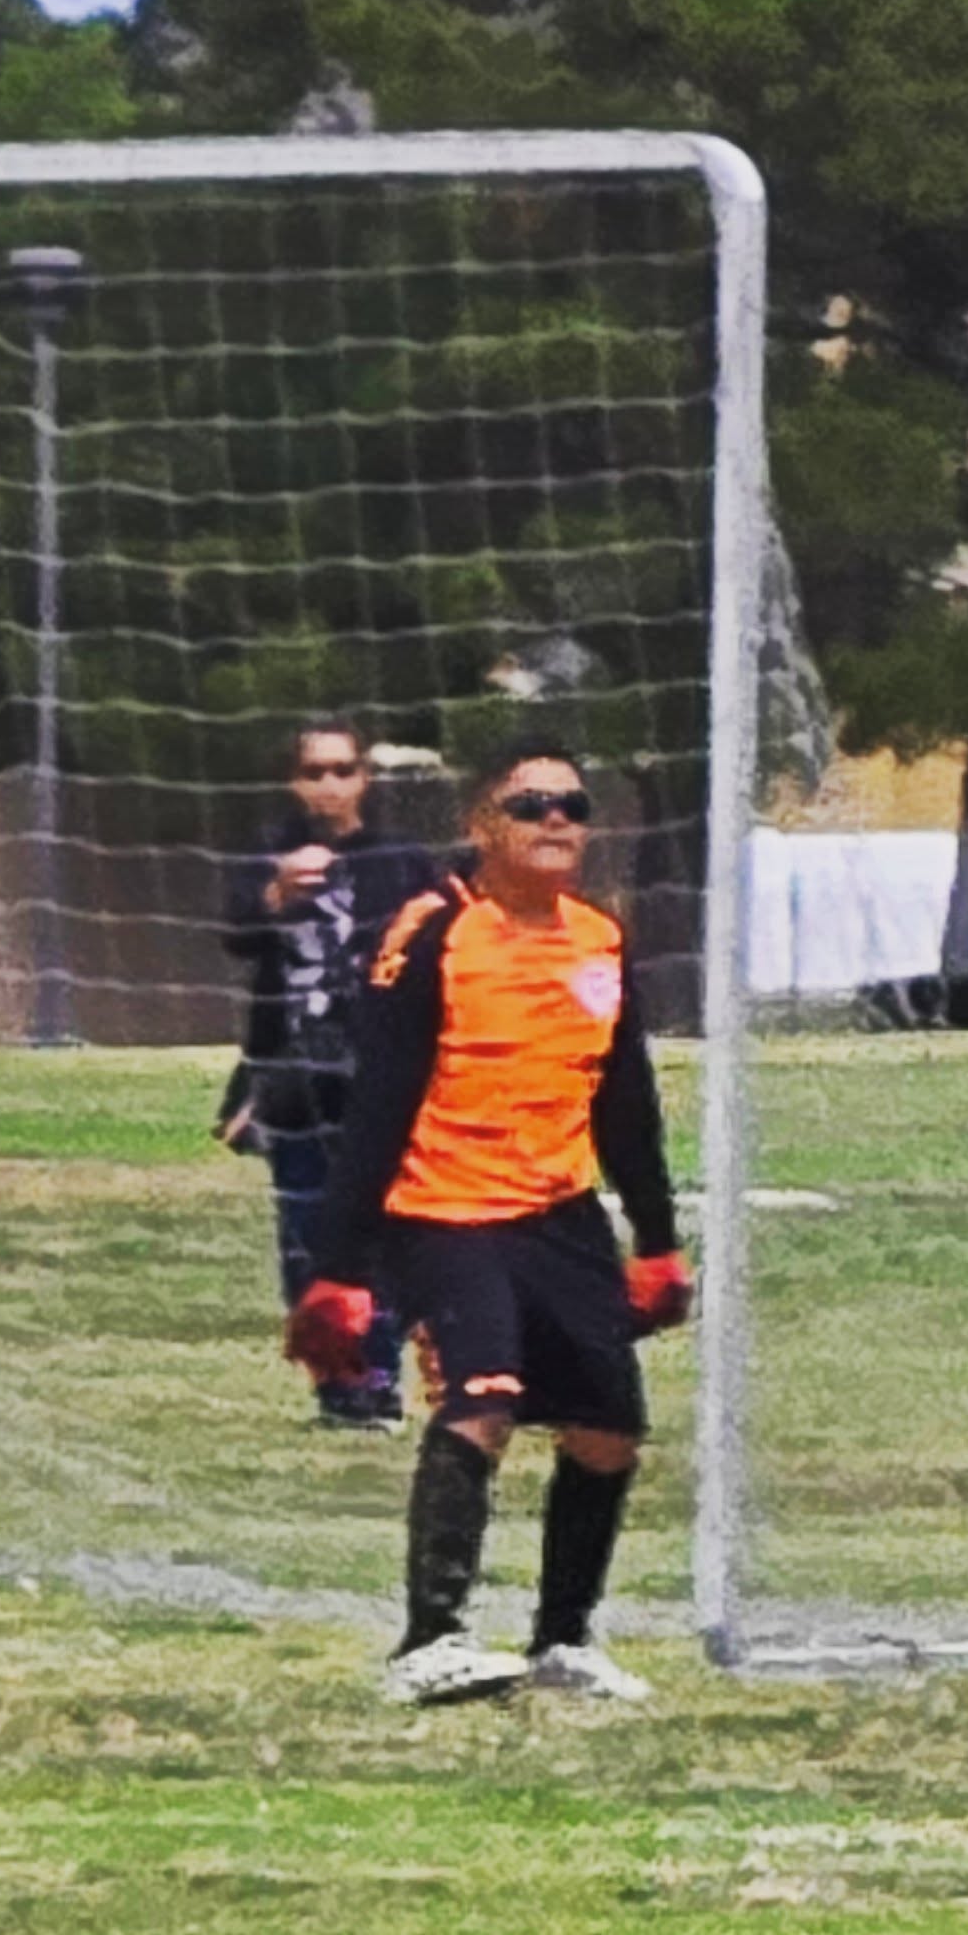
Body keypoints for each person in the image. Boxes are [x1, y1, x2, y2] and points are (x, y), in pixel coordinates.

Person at [283, 740, 693, 1705]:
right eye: (531, 804)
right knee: (485, 1399)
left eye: (573, 807)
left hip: (559, 1213)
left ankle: (563, 1642)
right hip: (444, 1211)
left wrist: (657, 1243)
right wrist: (339, 1270)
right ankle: (429, 1643)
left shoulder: (600, 938)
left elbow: (625, 1103)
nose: (556, 821)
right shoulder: (433, 931)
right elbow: (379, 1104)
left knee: (608, 1429)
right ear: (481, 825)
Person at [216, 720, 439, 1429]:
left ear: (364, 778)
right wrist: (277, 895)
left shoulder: (402, 860)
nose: (330, 785)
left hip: (381, 1072)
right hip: (293, 1074)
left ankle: (378, 1379)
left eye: (343, 769)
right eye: (314, 772)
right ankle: (336, 1383)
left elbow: (441, 949)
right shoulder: (267, 854)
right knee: (305, 1229)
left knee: (383, 1225)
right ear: (294, 781)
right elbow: (236, 937)